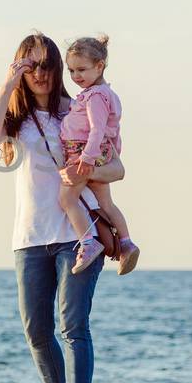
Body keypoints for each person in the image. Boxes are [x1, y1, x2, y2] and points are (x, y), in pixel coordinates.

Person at [0, 31, 124, 383]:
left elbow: (117, 169)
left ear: (59, 68)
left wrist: (83, 171)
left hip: (78, 234)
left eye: (47, 65)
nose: (40, 73)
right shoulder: (17, 118)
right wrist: (9, 82)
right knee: (36, 329)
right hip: (29, 236)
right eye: (31, 65)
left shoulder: (76, 108)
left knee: (73, 325)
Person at [58, 35, 140, 276]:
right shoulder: (105, 94)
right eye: (71, 70)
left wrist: (87, 158)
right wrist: (108, 153)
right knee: (106, 203)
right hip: (97, 152)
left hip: (83, 152)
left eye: (82, 69)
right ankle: (126, 244)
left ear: (100, 66)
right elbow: (112, 132)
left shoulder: (95, 96)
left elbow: (97, 129)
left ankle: (88, 242)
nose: (76, 76)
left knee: (66, 198)